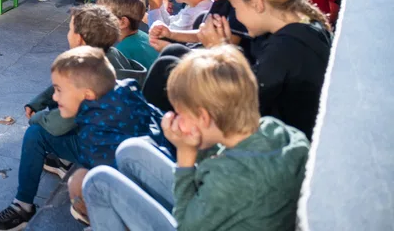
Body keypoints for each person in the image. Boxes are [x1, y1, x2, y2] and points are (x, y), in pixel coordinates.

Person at [82, 46, 310, 231]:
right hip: (227, 209)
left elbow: (187, 225)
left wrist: (186, 154)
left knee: (98, 182)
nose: (177, 118)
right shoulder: (279, 132)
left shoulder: (229, 178)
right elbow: (216, 164)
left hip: (194, 221)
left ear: (203, 116)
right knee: (131, 150)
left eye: (181, 113)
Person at [0, 45, 163, 231]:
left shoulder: (100, 136)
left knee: (80, 183)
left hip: (142, 205)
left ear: (87, 95)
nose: (54, 96)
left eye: (59, 90)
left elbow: (111, 186)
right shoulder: (119, 95)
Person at [224, 0, 332, 138]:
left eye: (235, 7)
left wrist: (220, 50)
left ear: (257, 4)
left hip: (291, 142)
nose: (236, 17)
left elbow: (244, 104)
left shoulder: (284, 47)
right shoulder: (309, 25)